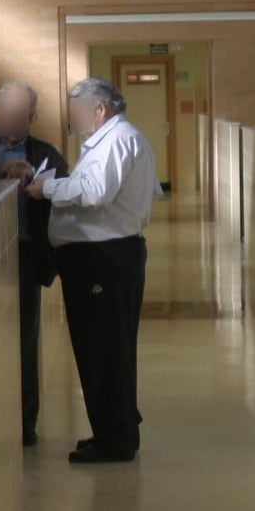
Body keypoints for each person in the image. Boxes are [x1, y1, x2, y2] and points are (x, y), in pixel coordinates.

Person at [26, 77, 161, 464]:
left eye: (79, 111)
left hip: (105, 259)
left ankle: (115, 440)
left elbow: (96, 191)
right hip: (103, 257)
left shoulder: (118, 139)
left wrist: (46, 191)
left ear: (100, 108)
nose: (75, 119)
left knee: (105, 349)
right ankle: (111, 430)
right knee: (101, 347)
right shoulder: (114, 140)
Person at [0, 81, 69, 447]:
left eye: (22, 116)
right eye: (7, 113)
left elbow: (65, 194)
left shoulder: (46, 153)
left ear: (32, 117)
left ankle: (25, 423)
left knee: (25, 342)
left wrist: (41, 187)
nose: (13, 121)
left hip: (24, 256)